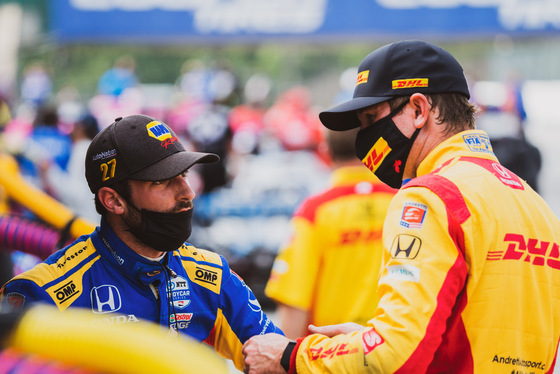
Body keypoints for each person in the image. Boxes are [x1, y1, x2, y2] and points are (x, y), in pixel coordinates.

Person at [242, 40, 560, 373]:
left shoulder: (432, 197)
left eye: (369, 119)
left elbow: (394, 356)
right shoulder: (533, 203)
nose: (364, 135)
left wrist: (289, 357)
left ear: (419, 110)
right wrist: (368, 340)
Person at [0, 114, 283, 372]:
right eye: (162, 181)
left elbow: (275, 359)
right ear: (113, 200)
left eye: (184, 175)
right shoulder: (43, 293)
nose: (187, 192)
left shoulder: (212, 275)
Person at [264, 128, 397, 339]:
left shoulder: (314, 212)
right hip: (396, 351)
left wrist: (284, 363)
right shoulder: (405, 203)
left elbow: (294, 300)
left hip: (332, 356)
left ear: (325, 151)